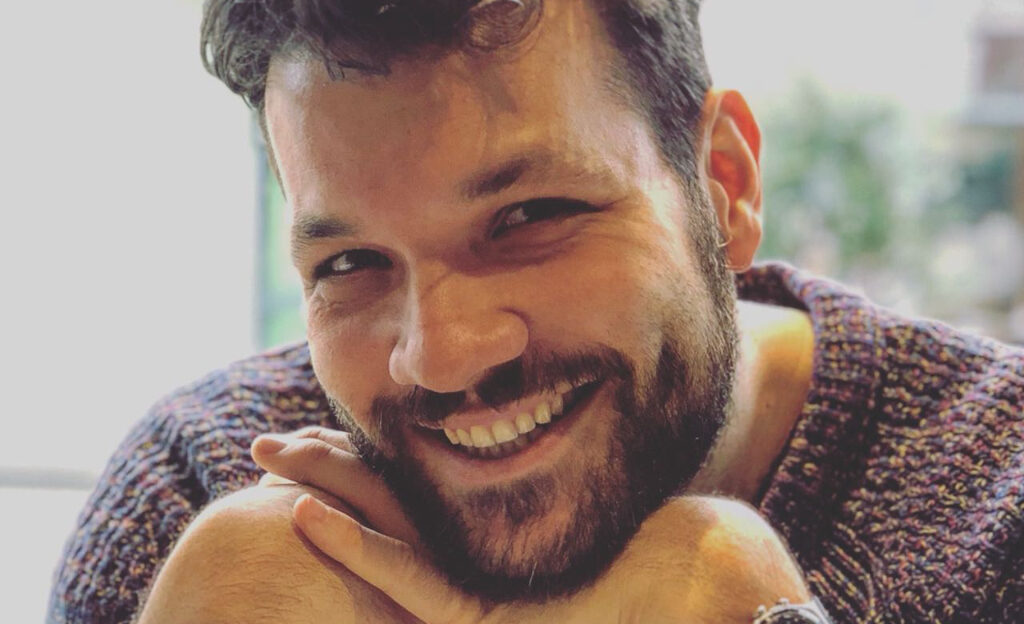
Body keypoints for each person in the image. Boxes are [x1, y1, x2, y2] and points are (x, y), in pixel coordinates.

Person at [49, 0, 1024, 622]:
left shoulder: (996, 508)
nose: (441, 355)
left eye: (529, 217)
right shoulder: (193, 498)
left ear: (722, 184)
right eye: (349, 262)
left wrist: (760, 614)